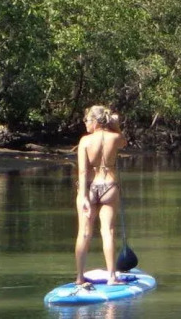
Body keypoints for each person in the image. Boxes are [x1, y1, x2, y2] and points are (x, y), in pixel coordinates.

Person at [73, 104, 128, 290]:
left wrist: (83, 196)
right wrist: (116, 126)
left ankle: (80, 277)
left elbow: (82, 171)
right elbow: (123, 142)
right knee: (108, 232)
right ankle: (112, 276)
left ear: (96, 121)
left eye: (87, 120)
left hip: (89, 187)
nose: (85, 123)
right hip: (109, 186)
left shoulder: (85, 141)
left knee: (84, 233)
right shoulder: (115, 137)